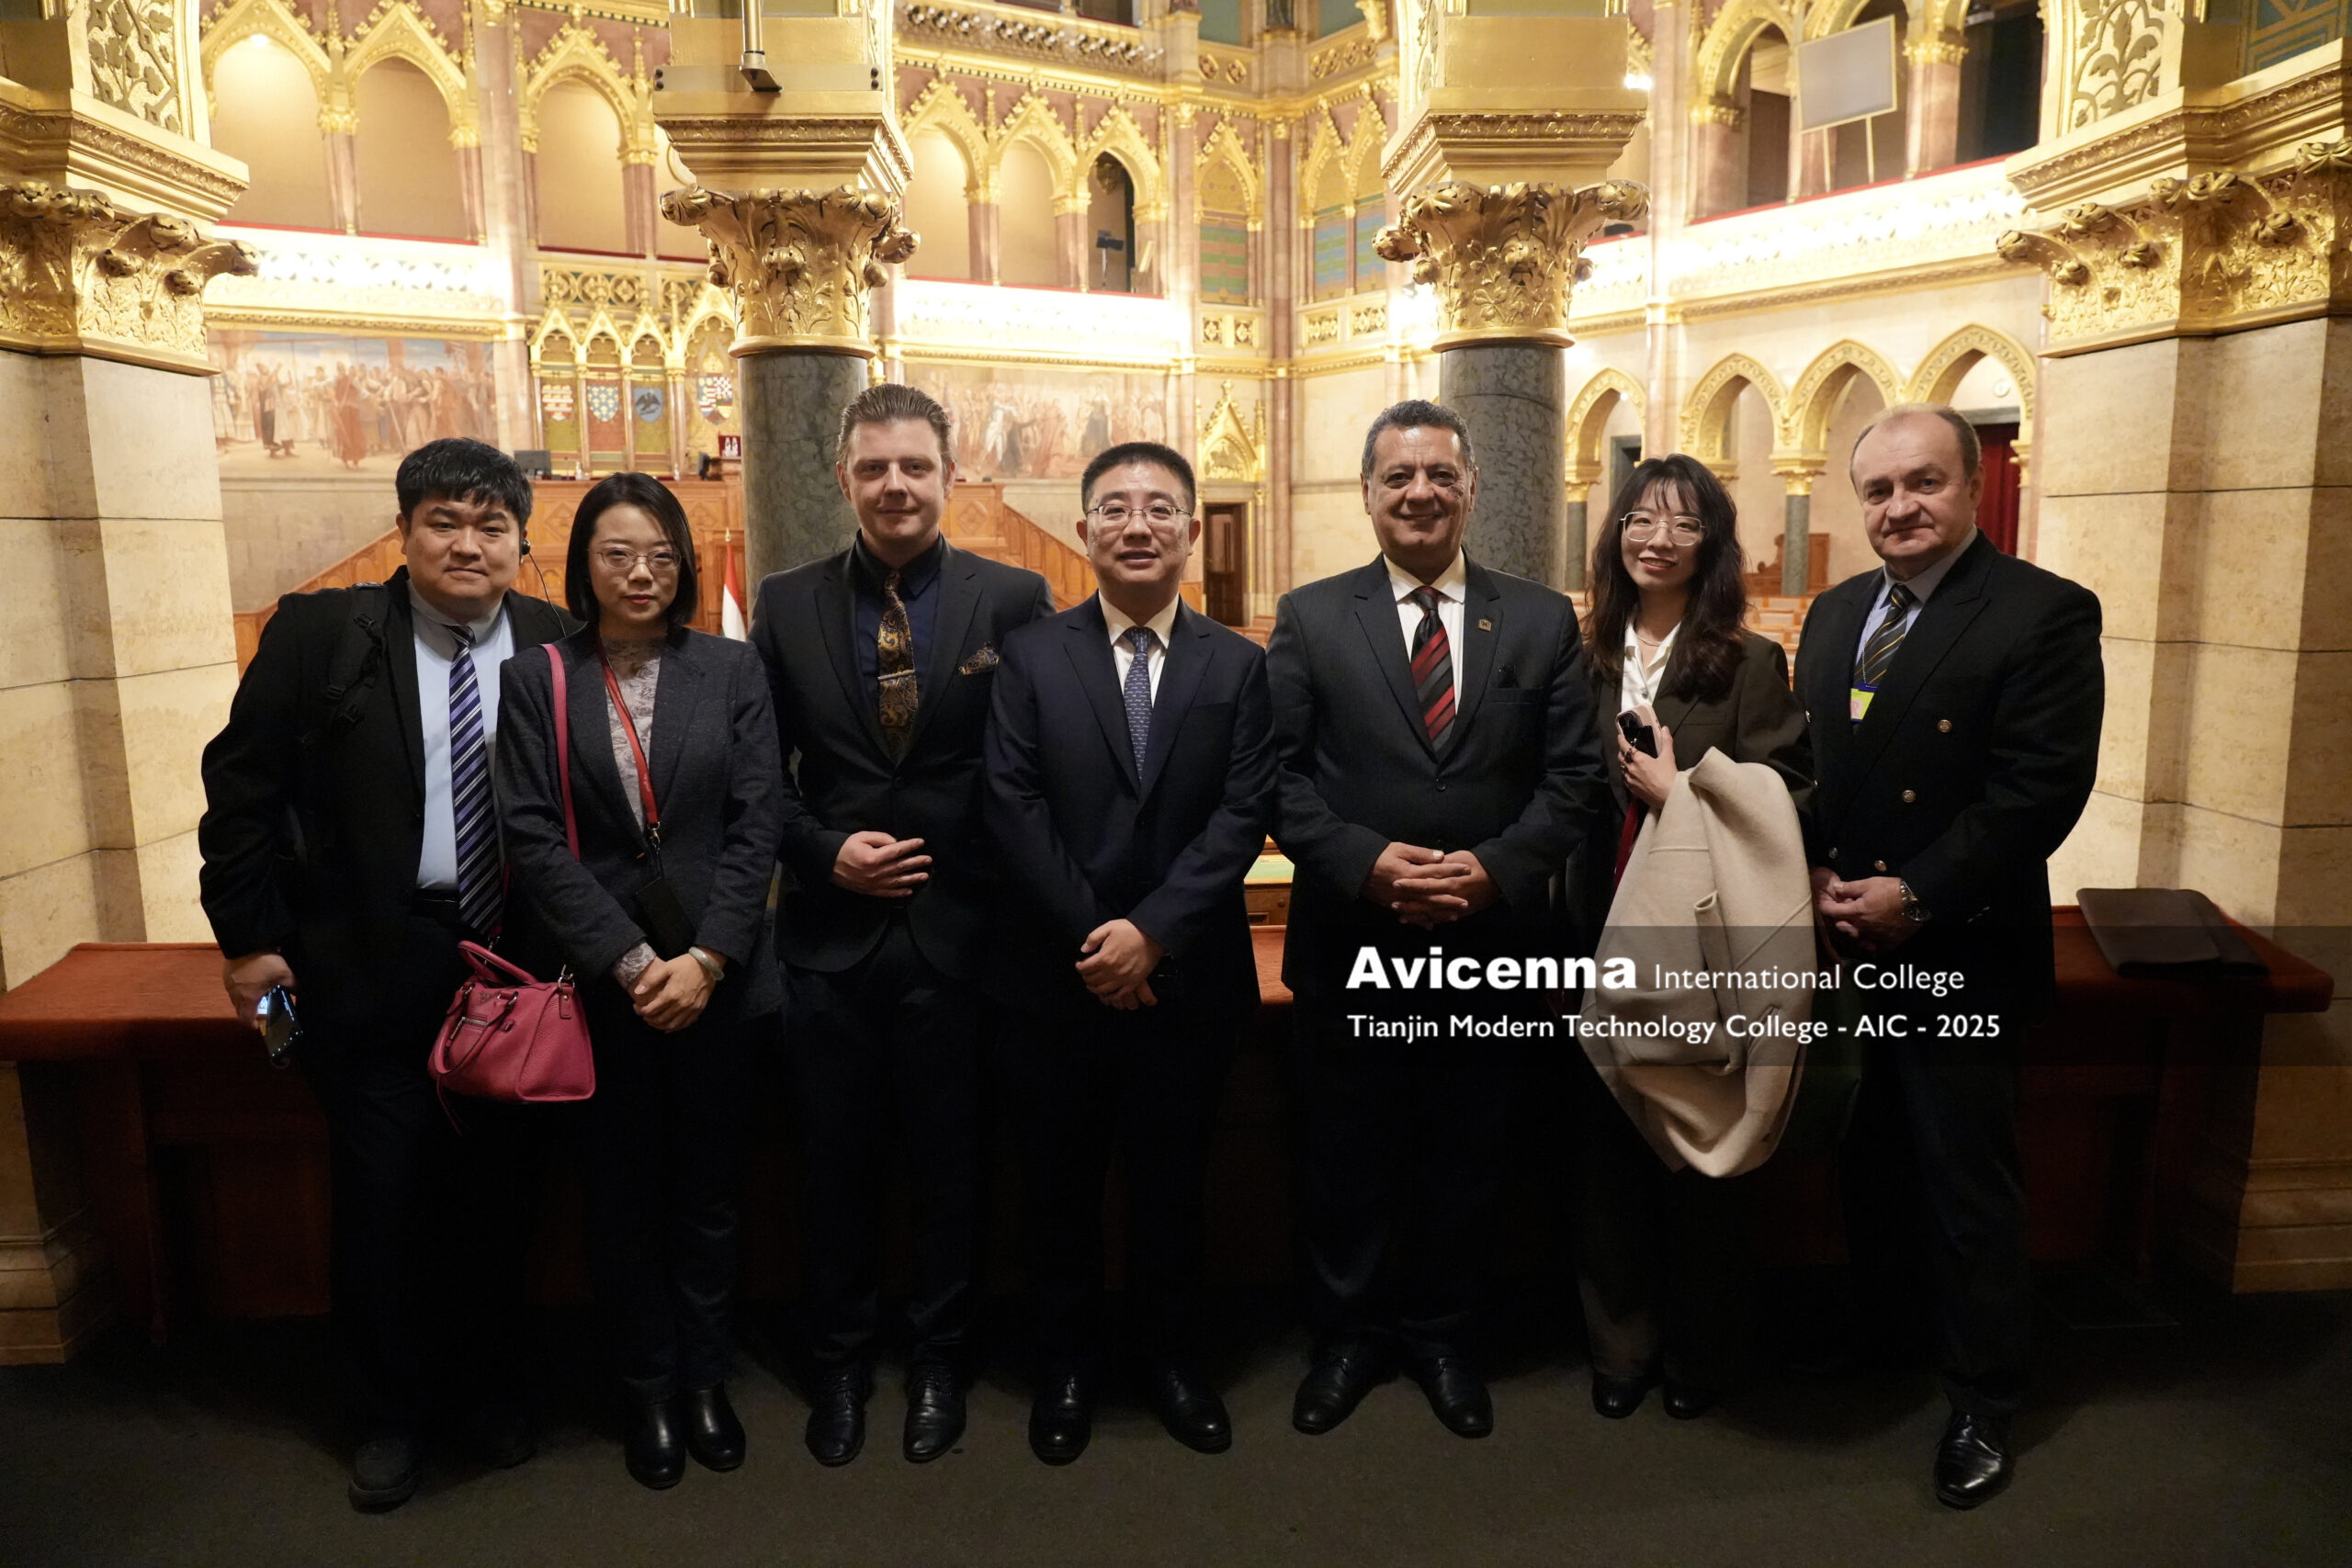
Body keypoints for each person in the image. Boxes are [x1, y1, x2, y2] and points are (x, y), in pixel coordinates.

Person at [197, 438, 570, 1510]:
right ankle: (392, 1414)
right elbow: (242, 795)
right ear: (403, 532)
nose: (467, 544)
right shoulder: (323, 635)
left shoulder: (556, 640)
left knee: (499, 1199)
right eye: (443, 521)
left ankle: (489, 1393)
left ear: (520, 543)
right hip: (368, 964)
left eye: (491, 526)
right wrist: (247, 942)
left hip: (514, 968)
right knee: (382, 1200)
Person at [1266, 398, 1609, 1439]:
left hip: (1489, 943)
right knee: (1346, 1155)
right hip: (1352, 940)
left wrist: (1495, 872)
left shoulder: (1540, 619)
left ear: (1472, 488)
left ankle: (1446, 1336)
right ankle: (1348, 1338)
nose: (1420, 493)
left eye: (1440, 475)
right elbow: (1276, 780)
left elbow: (1575, 779)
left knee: (1470, 1153)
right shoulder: (1311, 616)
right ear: (1368, 493)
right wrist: (1365, 865)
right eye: (1398, 477)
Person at [1793, 401, 2102, 1508]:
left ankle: (1984, 1395)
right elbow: (1815, 770)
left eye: (1922, 482)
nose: (1899, 508)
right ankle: (1886, 1335)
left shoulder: (2040, 612)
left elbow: (2037, 793)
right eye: (1877, 490)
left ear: (1973, 485)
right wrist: (1809, 868)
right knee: (1871, 1161)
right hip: (1851, 944)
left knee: (1965, 1179)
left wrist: (1915, 896)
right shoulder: (1835, 614)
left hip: (1959, 946)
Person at [750, 384, 1056, 1466]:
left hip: (964, 937)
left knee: (951, 1166)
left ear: (949, 477)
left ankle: (938, 1363)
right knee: (831, 1168)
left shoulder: (1014, 597)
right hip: (828, 938)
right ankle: (837, 1364)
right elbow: (758, 775)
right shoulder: (784, 601)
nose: (894, 486)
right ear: (844, 479)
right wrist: (821, 850)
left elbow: (1033, 764)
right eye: (873, 467)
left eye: (914, 467)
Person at [981, 441, 1277, 1464]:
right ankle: (1065, 1366)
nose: (1137, 525)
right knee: (1056, 1187)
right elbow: (1010, 803)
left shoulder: (1238, 664)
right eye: (1114, 508)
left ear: (1191, 530)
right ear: (1084, 530)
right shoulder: (1030, 655)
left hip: (1187, 975)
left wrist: (1151, 933)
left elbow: (1244, 812)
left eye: (1159, 508)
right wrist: (1096, 937)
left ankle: (1171, 1359)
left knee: (1173, 1185)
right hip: (1056, 977)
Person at [494, 472, 783, 1490]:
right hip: (603, 985)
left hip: (716, 981)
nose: (641, 572)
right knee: (619, 1197)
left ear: (685, 565)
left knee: (708, 1193)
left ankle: (706, 1378)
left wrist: (706, 958)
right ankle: (648, 1386)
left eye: (661, 554)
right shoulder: (540, 677)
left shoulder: (732, 668)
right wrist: (629, 960)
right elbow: (531, 834)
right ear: (585, 565)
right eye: (617, 554)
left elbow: (757, 821)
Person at [1566, 455, 1813, 1422]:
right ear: (1615, 535)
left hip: (1699, 945)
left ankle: (1703, 1354)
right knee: (1605, 1155)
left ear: (1710, 544)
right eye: (1639, 519)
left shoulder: (1747, 663)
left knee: (1698, 1148)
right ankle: (1619, 1350)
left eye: (1681, 523)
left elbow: (1790, 800)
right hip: (1592, 928)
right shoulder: (1583, 654)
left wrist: (1685, 795)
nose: (1656, 539)